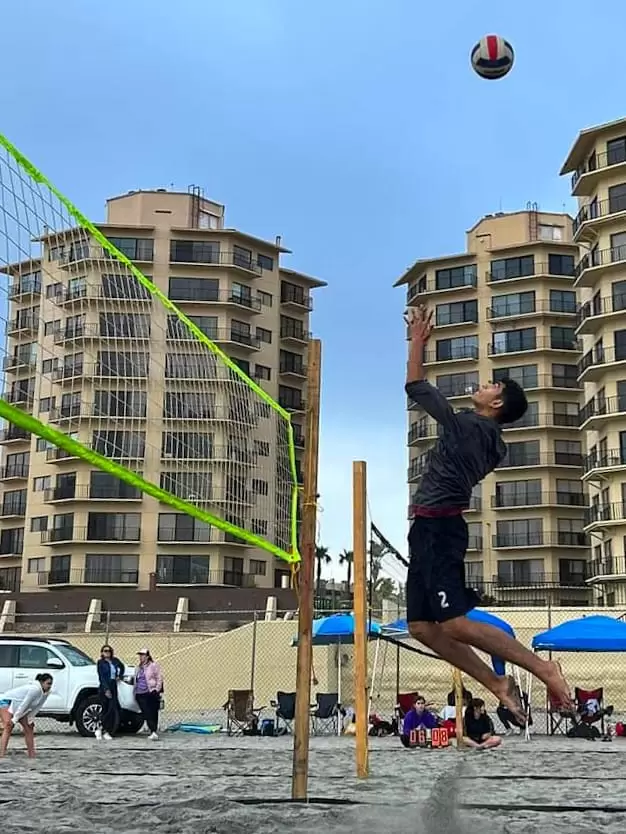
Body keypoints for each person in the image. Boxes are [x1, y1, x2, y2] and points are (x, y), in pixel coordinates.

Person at [404, 305, 573, 724]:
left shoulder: (471, 428)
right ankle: (498, 684)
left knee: (456, 624)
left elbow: (415, 385)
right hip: (429, 525)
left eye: (491, 384)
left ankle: (543, 668)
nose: (482, 384)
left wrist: (418, 341)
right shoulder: (493, 440)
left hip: (440, 527)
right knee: (423, 628)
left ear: (495, 402)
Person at [0, 673, 53, 758]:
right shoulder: (35, 689)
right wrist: (14, 720)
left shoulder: (47, 692)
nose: (50, 686)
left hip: (19, 707)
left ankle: (31, 755)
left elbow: (37, 706)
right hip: (7, 701)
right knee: (8, 726)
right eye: (48, 683)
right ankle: (1, 755)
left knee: (29, 728)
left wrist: (30, 718)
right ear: (42, 682)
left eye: (51, 684)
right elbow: (25, 704)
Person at [96, 644, 125, 741]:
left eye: (108, 651)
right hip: (105, 686)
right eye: (105, 651)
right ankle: (102, 729)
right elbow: (101, 677)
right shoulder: (100, 663)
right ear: (102, 653)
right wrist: (106, 690)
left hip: (113, 685)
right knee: (105, 709)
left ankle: (106, 730)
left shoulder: (115, 661)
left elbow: (122, 667)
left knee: (112, 709)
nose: (107, 652)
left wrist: (119, 676)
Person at [134, 648, 163, 741]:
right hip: (139, 692)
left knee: (151, 711)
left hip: (149, 691)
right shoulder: (139, 667)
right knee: (146, 712)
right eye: (140, 655)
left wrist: (157, 689)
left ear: (147, 656)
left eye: (143, 655)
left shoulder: (153, 665)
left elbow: (159, 677)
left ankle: (153, 730)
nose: (141, 657)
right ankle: (152, 729)